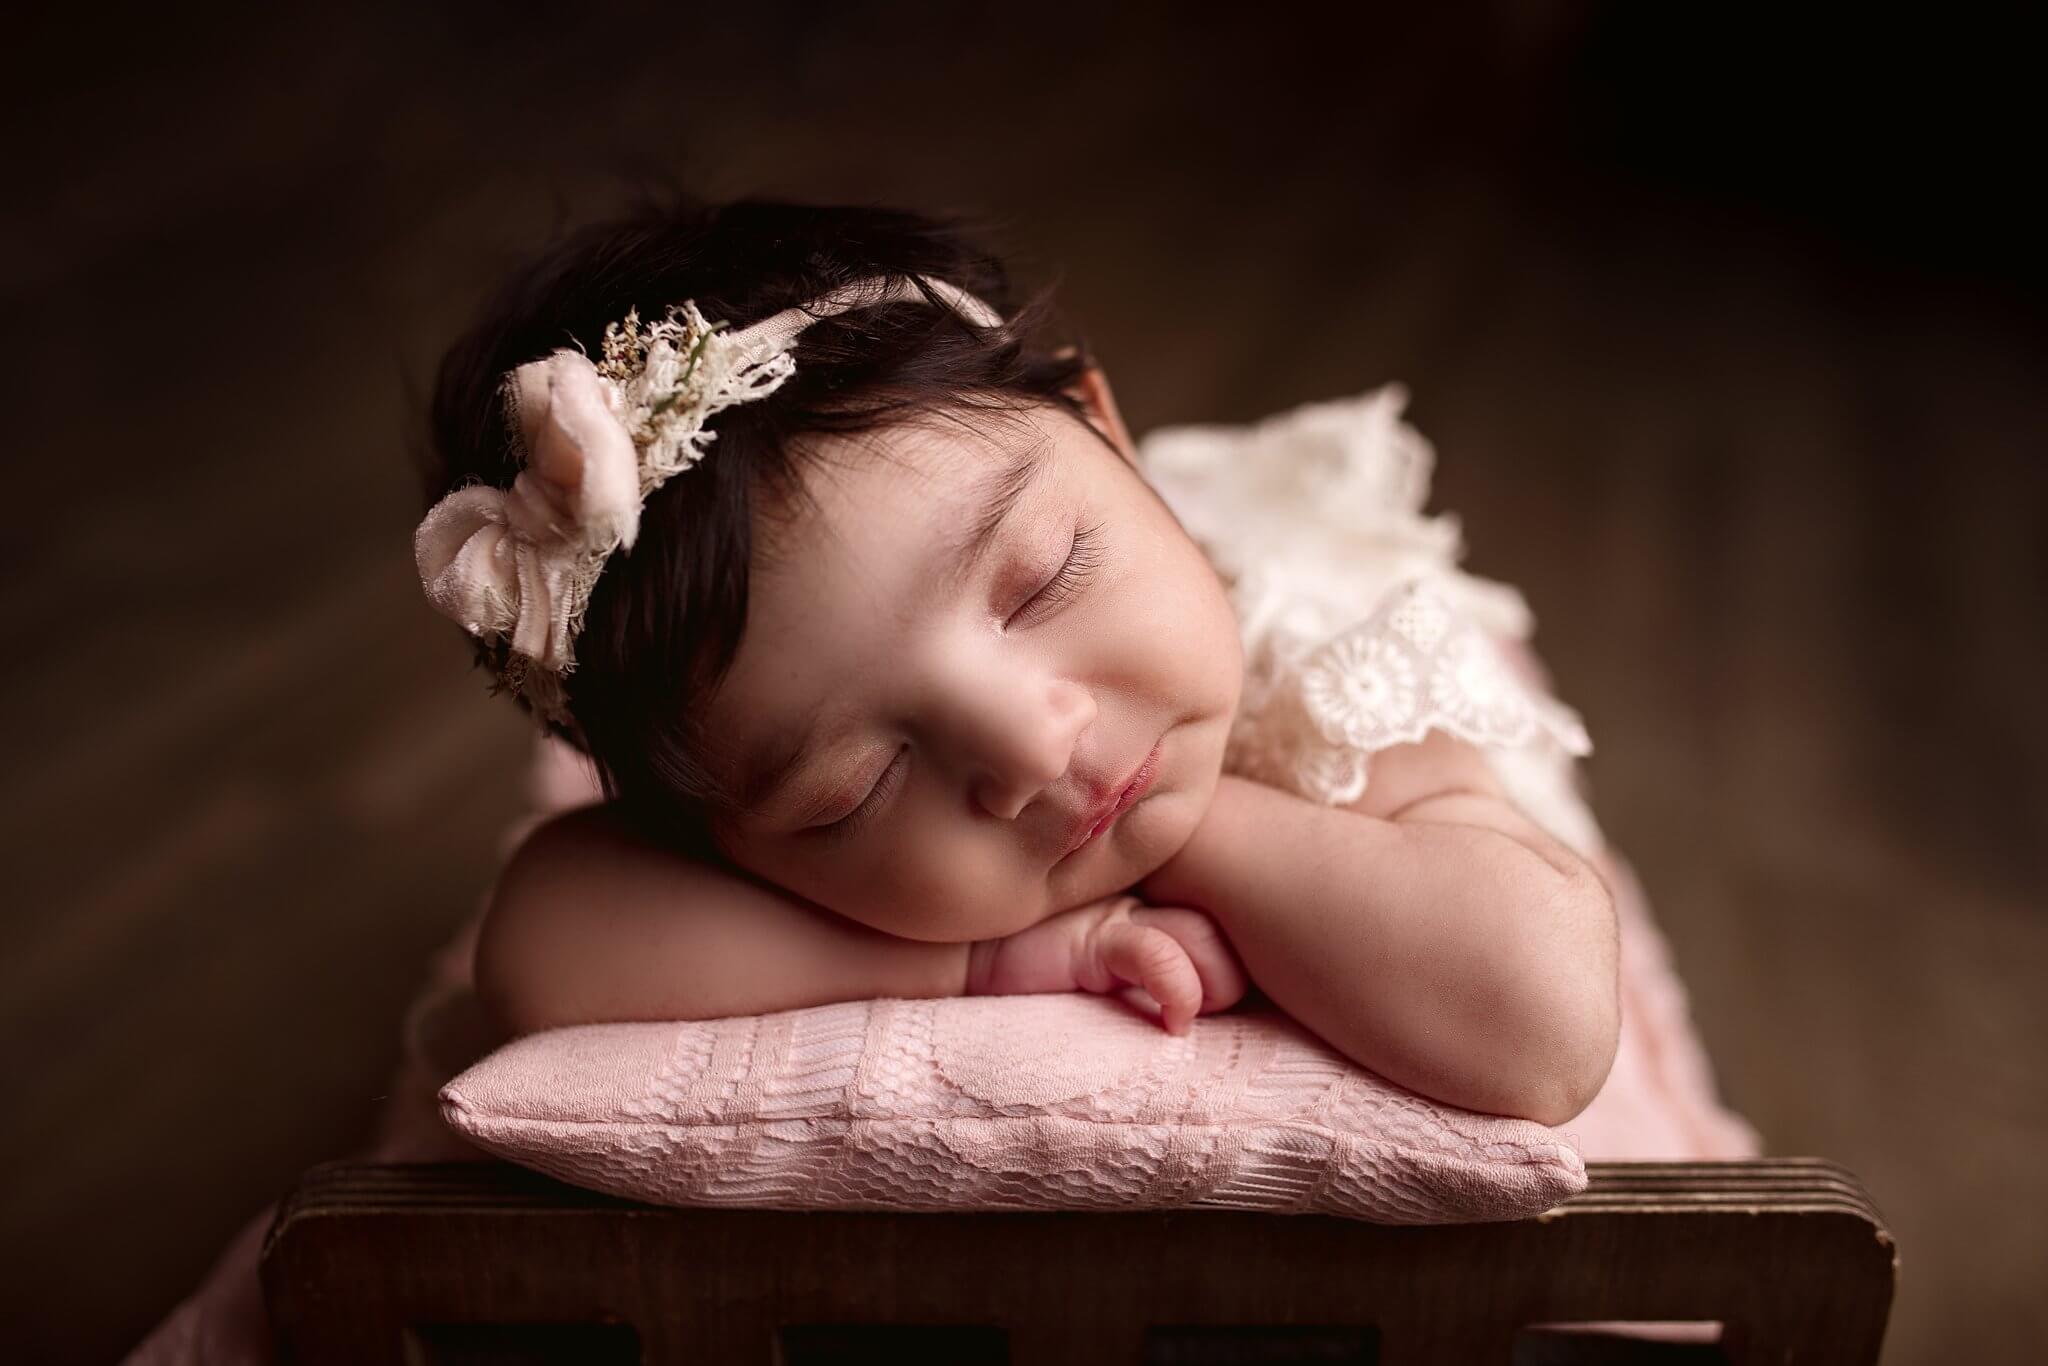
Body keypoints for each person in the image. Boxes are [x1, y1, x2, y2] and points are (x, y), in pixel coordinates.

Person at [419, 193, 1624, 1128]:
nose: (1031, 744)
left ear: (1101, 425)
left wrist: (1189, 835)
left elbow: (1540, 1024)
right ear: (722, 846)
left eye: (1041, 579)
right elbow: (537, 956)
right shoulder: (759, 823)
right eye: (854, 787)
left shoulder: (1314, 643)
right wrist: (998, 953)